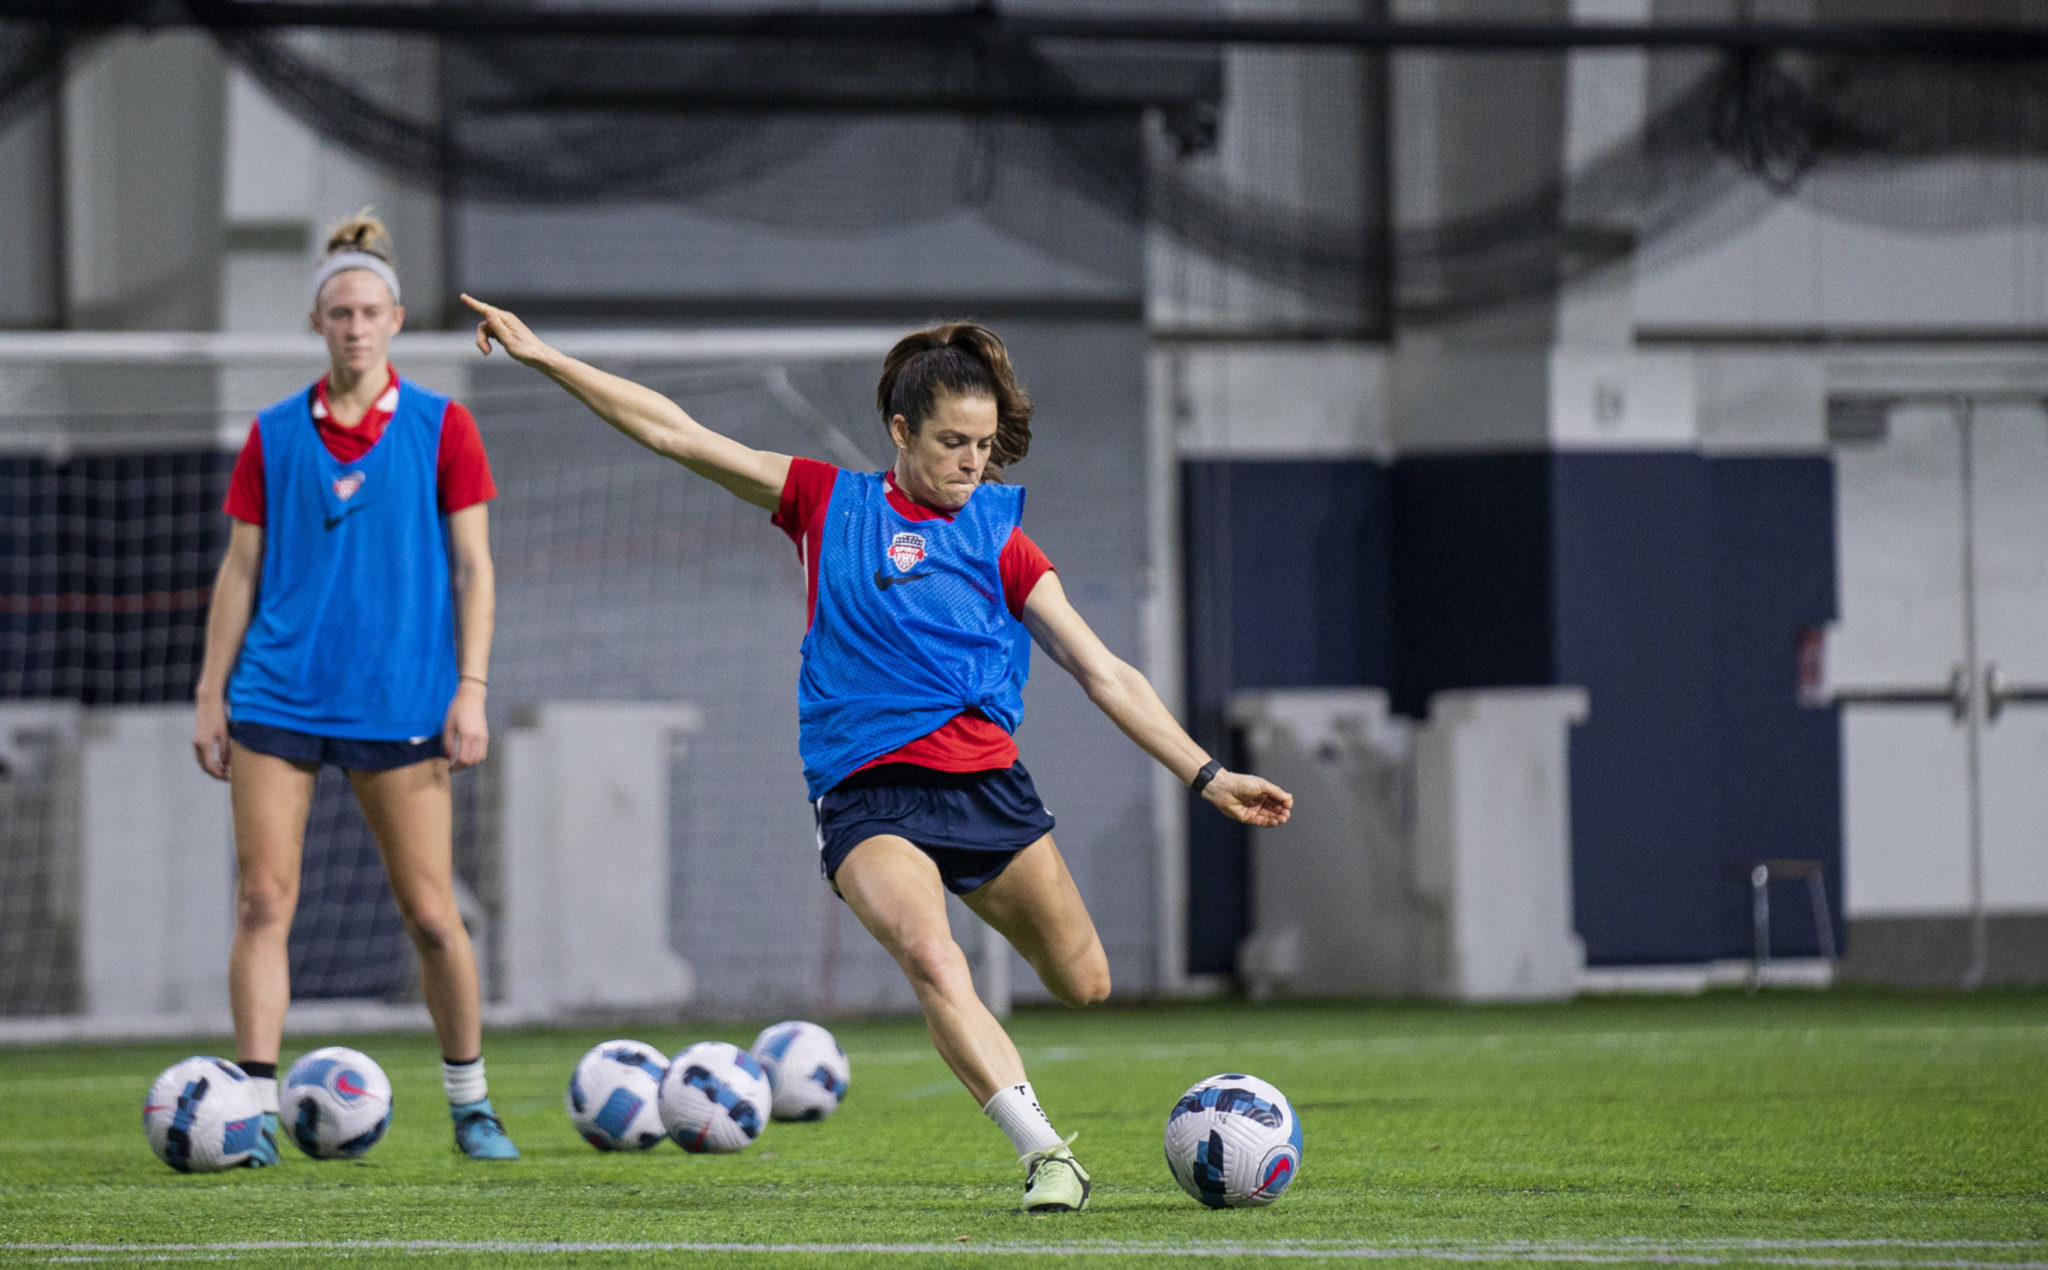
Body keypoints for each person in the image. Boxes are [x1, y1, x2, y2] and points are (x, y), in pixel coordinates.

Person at [462, 296, 1292, 1210]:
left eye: (983, 444)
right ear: (900, 430)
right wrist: (544, 356)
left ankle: (1049, 1099)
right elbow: (677, 434)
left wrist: (1206, 775)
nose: (971, 462)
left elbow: (1106, 672)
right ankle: (1046, 1155)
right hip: (869, 796)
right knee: (934, 959)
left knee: (1085, 982)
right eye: (951, 443)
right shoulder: (828, 503)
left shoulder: (1004, 541)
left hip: (987, 788)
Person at [192, 214, 519, 1163]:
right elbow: (239, 573)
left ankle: (471, 1104)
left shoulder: (442, 426)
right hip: (276, 700)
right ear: (317, 322)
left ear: (397, 320)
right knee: (263, 902)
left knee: (430, 914)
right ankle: (250, 1114)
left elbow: (474, 570)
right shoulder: (272, 436)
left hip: (405, 701)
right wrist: (211, 692)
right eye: (340, 312)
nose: (355, 326)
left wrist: (472, 688)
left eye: (371, 311)